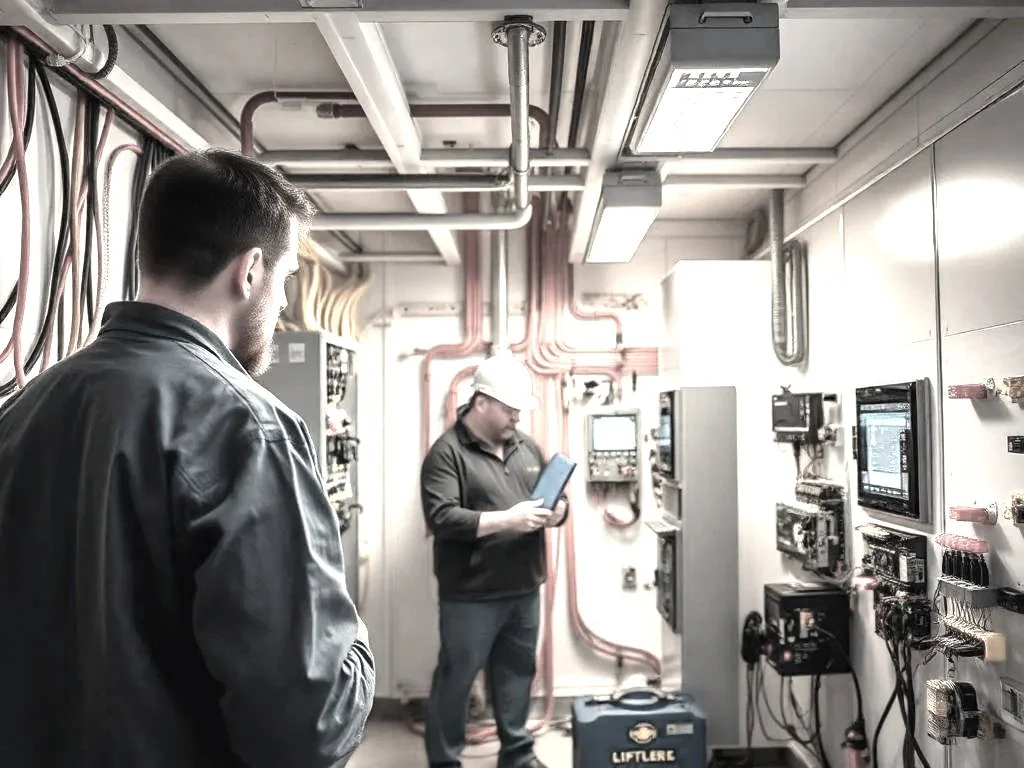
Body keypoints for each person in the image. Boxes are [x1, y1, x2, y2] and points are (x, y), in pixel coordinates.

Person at [0, 149, 374, 768]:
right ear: (250, 271)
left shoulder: (25, 407)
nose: (284, 304)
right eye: (285, 279)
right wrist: (352, 646)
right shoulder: (245, 426)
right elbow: (308, 726)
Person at [420, 351, 569, 768]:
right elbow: (442, 517)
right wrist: (508, 519)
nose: (517, 417)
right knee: (456, 679)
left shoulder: (526, 447)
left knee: (516, 677)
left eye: (520, 409)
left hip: (524, 588)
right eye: (509, 408)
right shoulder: (447, 453)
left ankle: (517, 756)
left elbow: (552, 499)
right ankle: (444, 762)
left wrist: (558, 512)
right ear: (481, 402)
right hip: (471, 595)